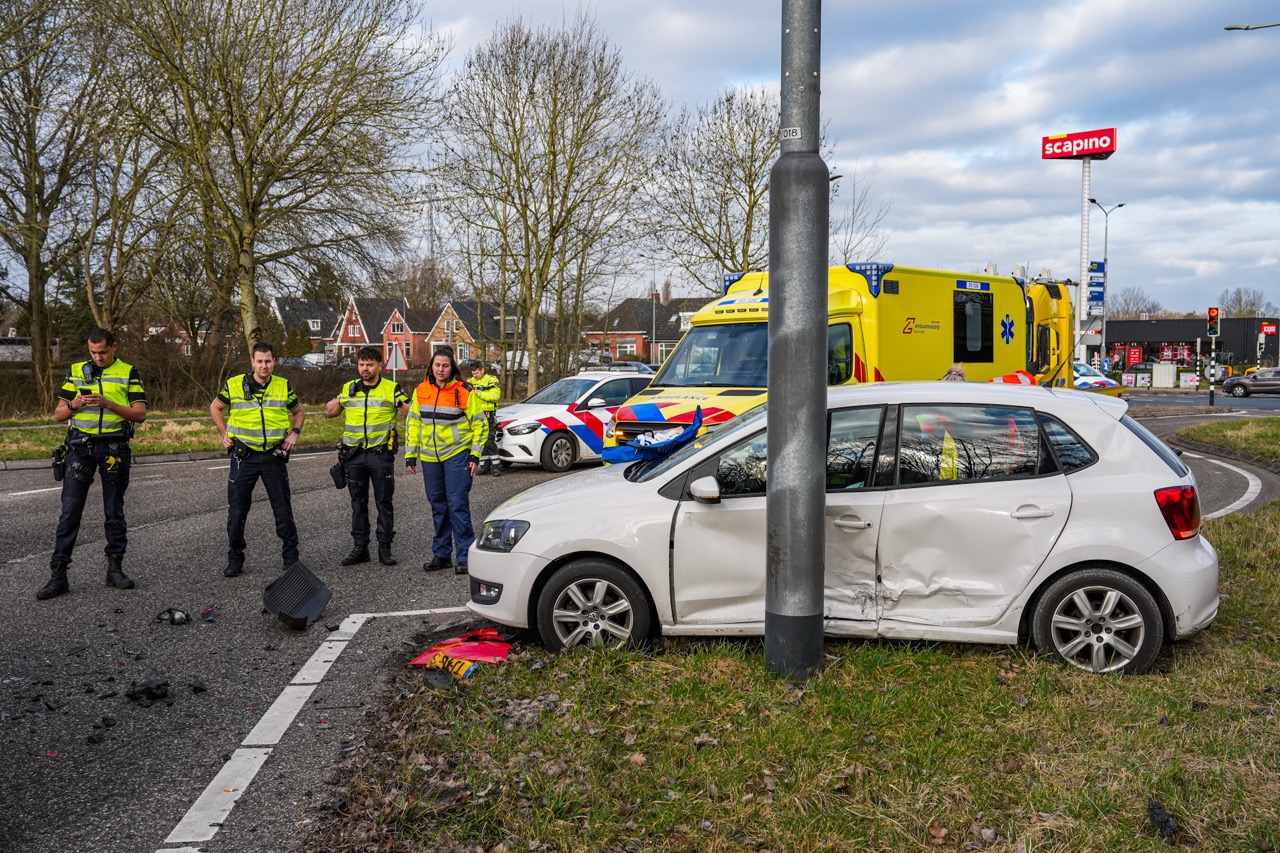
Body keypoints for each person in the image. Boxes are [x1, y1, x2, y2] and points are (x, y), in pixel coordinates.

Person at [38, 328, 148, 600]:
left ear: (114, 348)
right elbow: (58, 415)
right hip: (80, 447)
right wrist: (75, 403)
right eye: (93, 352)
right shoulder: (76, 371)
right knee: (70, 512)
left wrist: (108, 403)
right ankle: (58, 575)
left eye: (103, 352)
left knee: (114, 511)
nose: (98, 357)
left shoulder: (128, 372)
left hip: (114, 448)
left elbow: (140, 415)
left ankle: (115, 570)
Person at [210, 342, 305, 577]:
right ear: (252, 362)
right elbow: (215, 407)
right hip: (245, 457)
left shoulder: (283, 385)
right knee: (237, 510)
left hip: (273, 456)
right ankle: (235, 559)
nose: (264, 365)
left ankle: (291, 557)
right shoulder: (234, 385)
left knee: (282, 509)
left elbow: (299, 412)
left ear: (274, 362)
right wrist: (224, 434)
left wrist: (294, 433)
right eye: (260, 361)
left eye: (268, 361)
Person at [324, 345, 410, 567]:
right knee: (357, 503)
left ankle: (385, 548)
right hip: (354, 455)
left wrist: (398, 402)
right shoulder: (349, 387)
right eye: (361, 364)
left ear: (379, 366)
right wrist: (341, 398)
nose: (365, 368)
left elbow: (411, 412)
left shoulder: (391, 388)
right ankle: (360, 548)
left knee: (383, 501)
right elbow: (329, 412)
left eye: (370, 365)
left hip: (380, 455)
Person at [405, 348, 488, 575]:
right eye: (437, 365)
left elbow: (480, 424)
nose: (440, 370)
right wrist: (410, 454)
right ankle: (441, 554)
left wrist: (475, 455)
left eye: (445, 365)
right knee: (438, 506)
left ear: (452, 368)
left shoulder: (464, 391)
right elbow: (413, 423)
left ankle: (464, 557)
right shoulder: (421, 390)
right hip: (430, 457)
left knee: (457, 505)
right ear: (431, 366)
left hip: (457, 455)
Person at [466, 359, 502, 476]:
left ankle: (496, 467)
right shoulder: (469, 382)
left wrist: (479, 393)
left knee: (490, 441)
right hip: (475, 416)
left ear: (482, 369)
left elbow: (495, 395)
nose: (475, 376)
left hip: (488, 414)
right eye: (473, 373)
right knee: (480, 441)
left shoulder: (491, 380)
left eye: (477, 373)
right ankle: (484, 466)